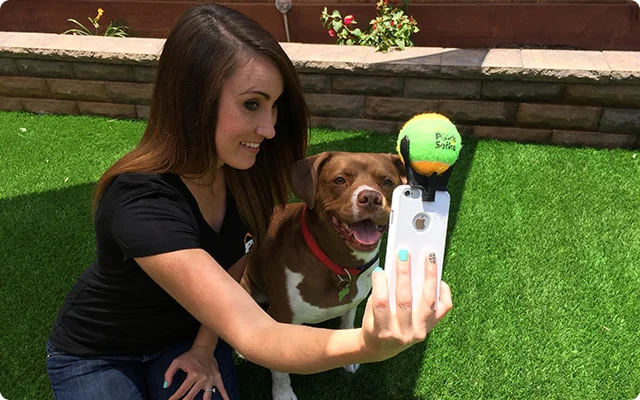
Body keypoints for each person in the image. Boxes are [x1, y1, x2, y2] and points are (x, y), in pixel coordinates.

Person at [45, 3, 453, 400]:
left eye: (274, 106)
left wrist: (204, 348)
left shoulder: (244, 178)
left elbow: (232, 269)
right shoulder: (140, 202)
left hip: (194, 331)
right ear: (193, 101)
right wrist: (366, 344)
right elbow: (258, 333)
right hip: (103, 350)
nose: (269, 128)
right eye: (252, 104)